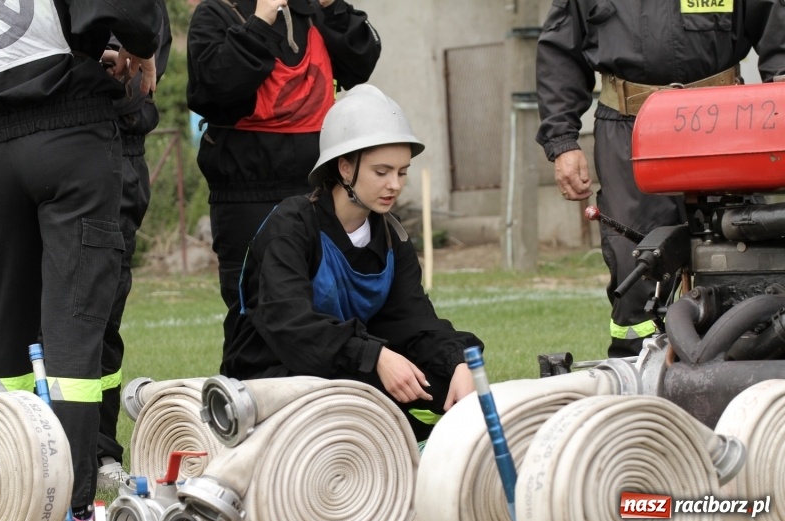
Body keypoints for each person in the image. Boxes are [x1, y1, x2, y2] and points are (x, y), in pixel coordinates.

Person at [222, 85, 481, 441]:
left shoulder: (391, 235)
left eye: (402, 172)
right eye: (382, 171)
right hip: (275, 374)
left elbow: (412, 320)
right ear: (345, 167)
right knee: (362, 403)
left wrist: (459, 363)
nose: (395, 185)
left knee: (448, 386)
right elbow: (289, 325)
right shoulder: (292, 225)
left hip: (346, 366)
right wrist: (374, 356)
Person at [0, 0, 160, 521]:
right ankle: (70, 506)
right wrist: (139, 45)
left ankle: (2, 492)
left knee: (0, 341)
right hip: (67, 127)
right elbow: (123, 11)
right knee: (73, 332)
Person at [535, 1, 785, 358]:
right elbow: (560, 52)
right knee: (637, 263)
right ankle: (639, 370)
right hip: (629, 129)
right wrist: (562, 141)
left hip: (726, 123)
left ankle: (749, 366)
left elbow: (778, 32)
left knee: (742, 248)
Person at [186, 0, 381, 355]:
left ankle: (333, 397)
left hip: (317, 188)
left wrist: (334, 8)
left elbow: (362, 61)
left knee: (328, 302)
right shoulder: (217, 13)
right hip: (245, 193)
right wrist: (261, 22)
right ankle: (252, 400)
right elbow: (213, 91)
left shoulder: (315, 13)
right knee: (254, 311)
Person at [96, 0, 172, 490]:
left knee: (100, 321)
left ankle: (99, 452)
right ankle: (22, 445)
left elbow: (143, 84)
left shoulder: (145, 7)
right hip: (35, 152)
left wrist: (116, 71)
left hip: (115, 159)